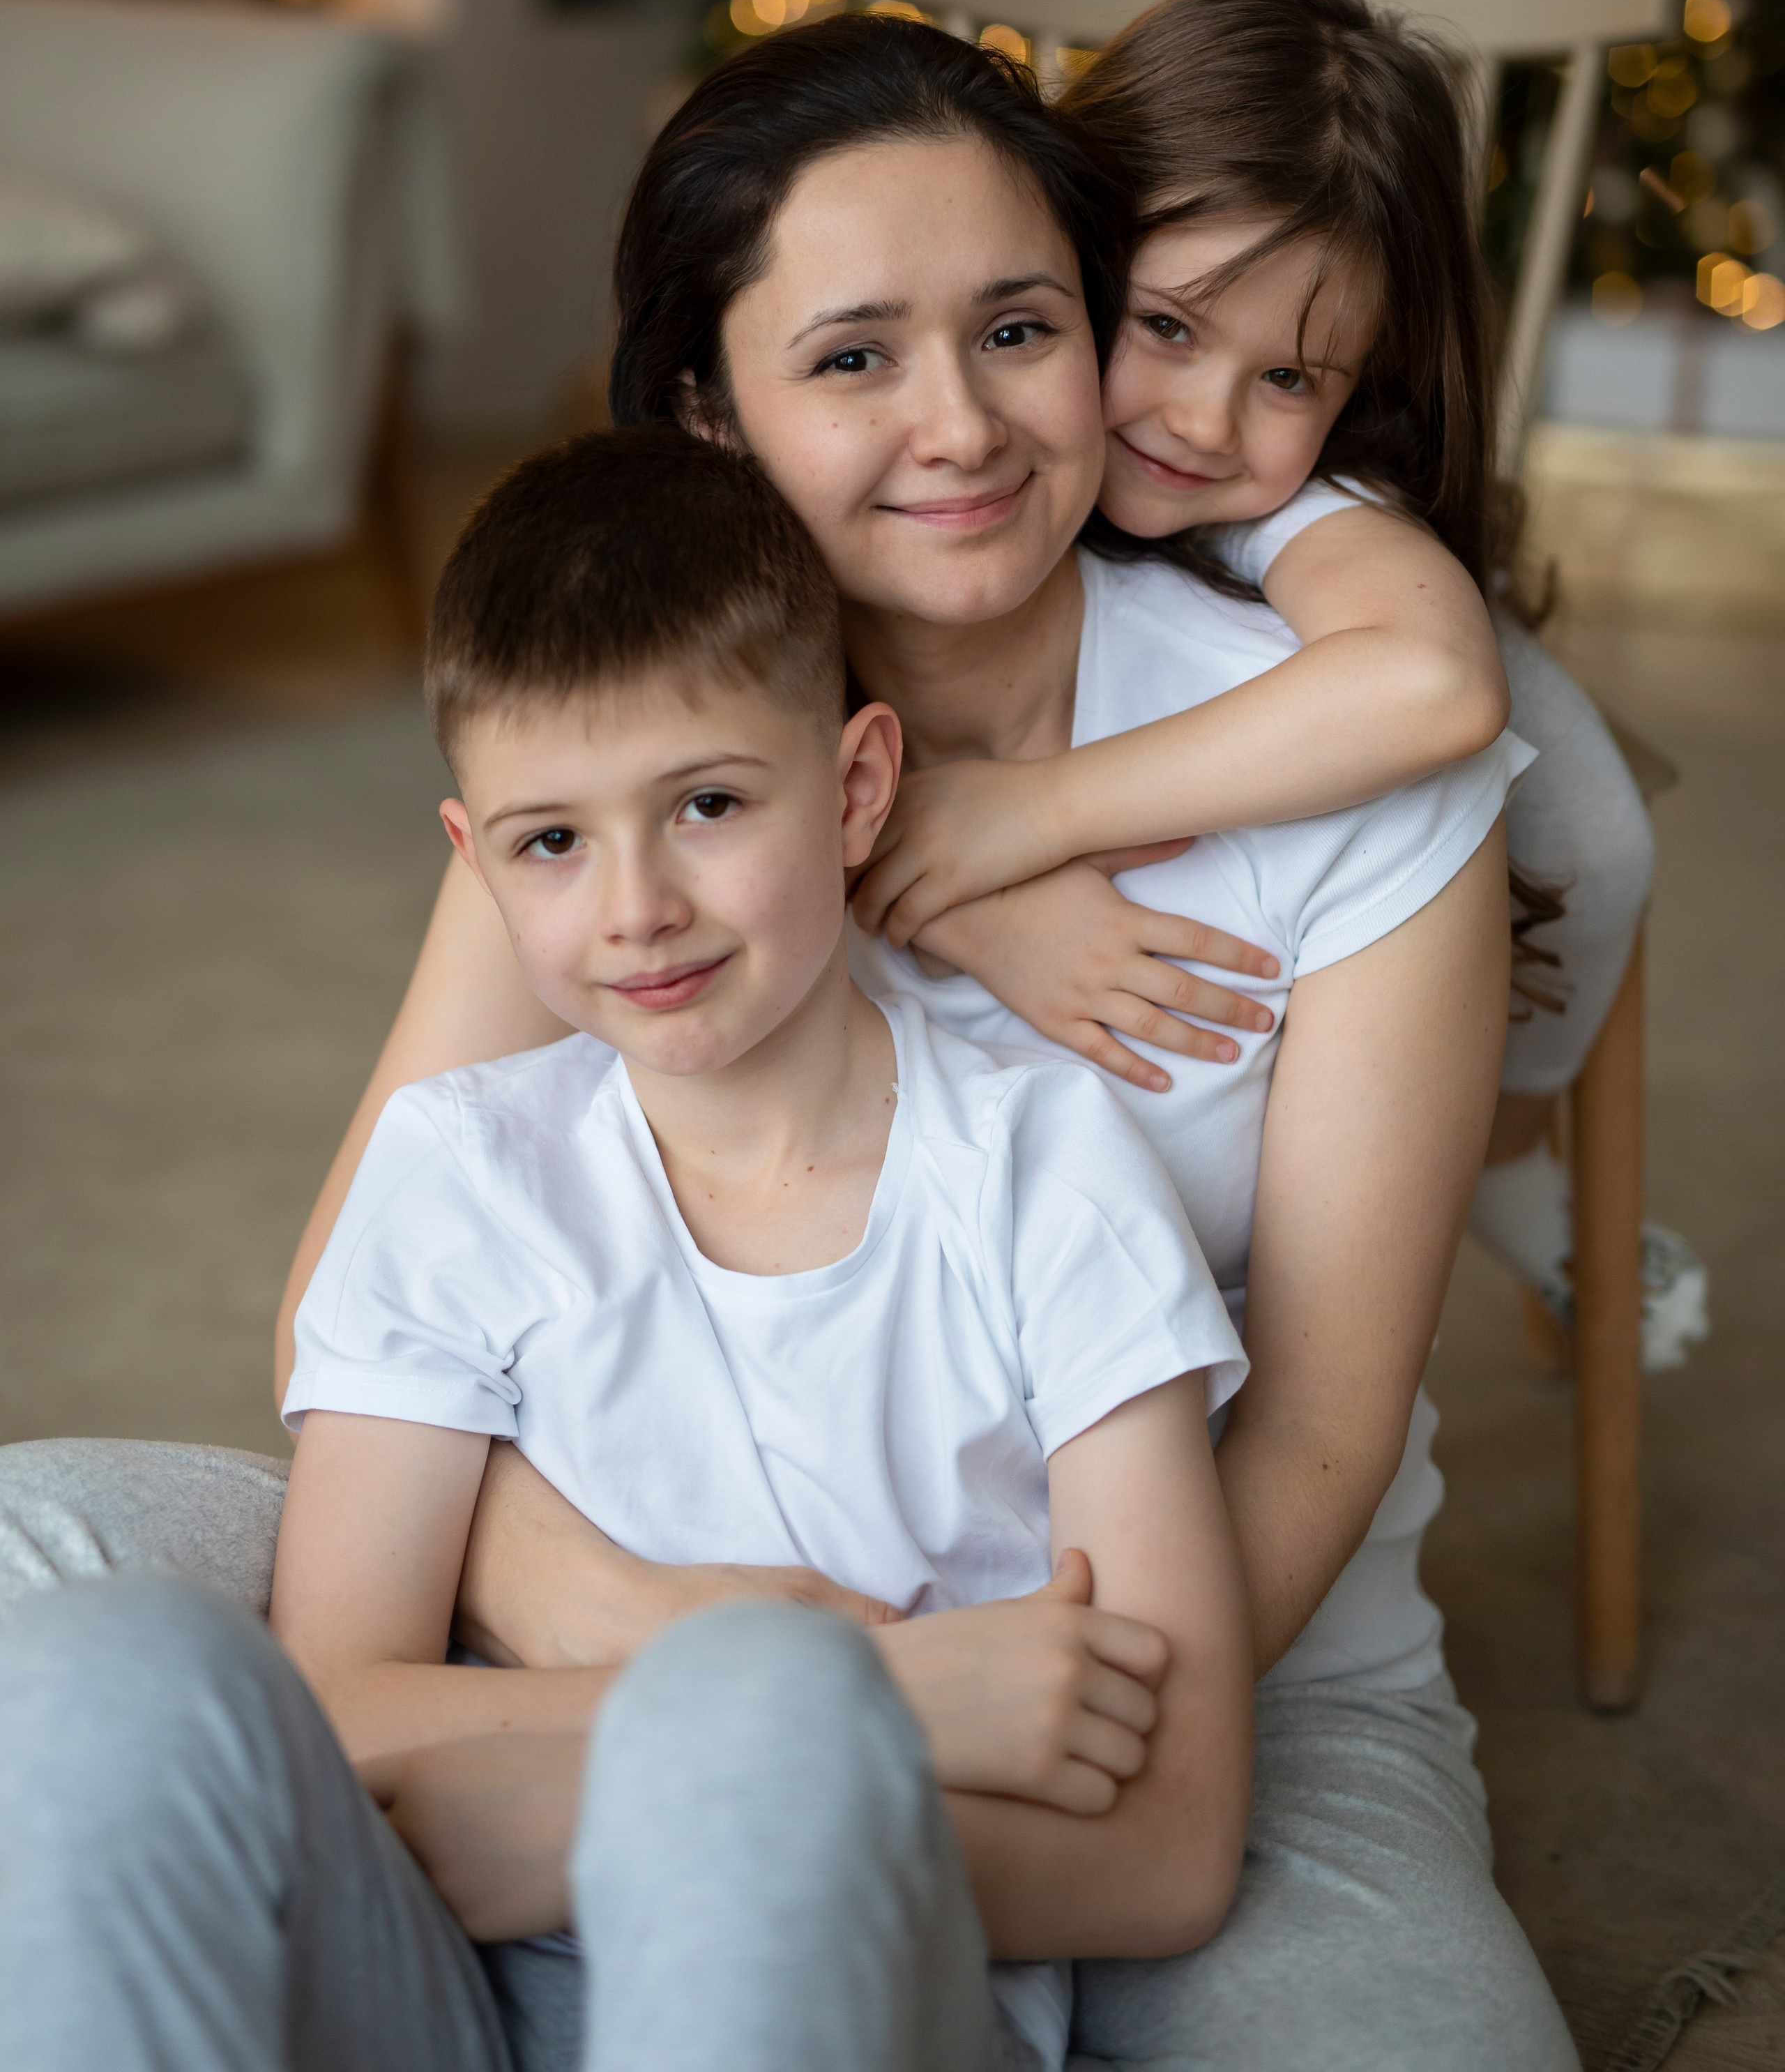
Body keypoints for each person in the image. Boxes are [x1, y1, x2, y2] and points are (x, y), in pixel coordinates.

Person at [0, 10, 1578, 2070]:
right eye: (850, 357)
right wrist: (674, 1648)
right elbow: (358, 1311)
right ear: (709, 409)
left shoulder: (1337, 759)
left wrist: (934, 1748)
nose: (964, 430)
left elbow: (1307, 1437)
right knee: (49, 1586)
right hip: (629, 1575)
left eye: (1018, 331)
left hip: (1176, 1653)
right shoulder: (633, 748)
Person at [0, 427, 1254, 2072]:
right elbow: (342, 1698)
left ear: (858, 785)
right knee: (97, 1672)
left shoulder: (1042, 1177)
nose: (636, 908)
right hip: (442, 1982)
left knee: (757, 1718)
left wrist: (746, 1748)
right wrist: (896, 1699)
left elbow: (1166, 1847)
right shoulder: (459, 1173)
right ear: (474, 861)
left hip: (827, 1987)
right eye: (551, 844)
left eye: (710, 804)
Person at [847, 0, 1706, 1370]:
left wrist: (1035, 810)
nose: (1200, 418)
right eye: (1167, 326)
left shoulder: (1285, 497)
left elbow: (1433, 686)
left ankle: (1497, 1149)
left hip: (1359, 617)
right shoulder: (930, 451)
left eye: (1289, 376)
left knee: (1591, 828)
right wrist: (978, 916)